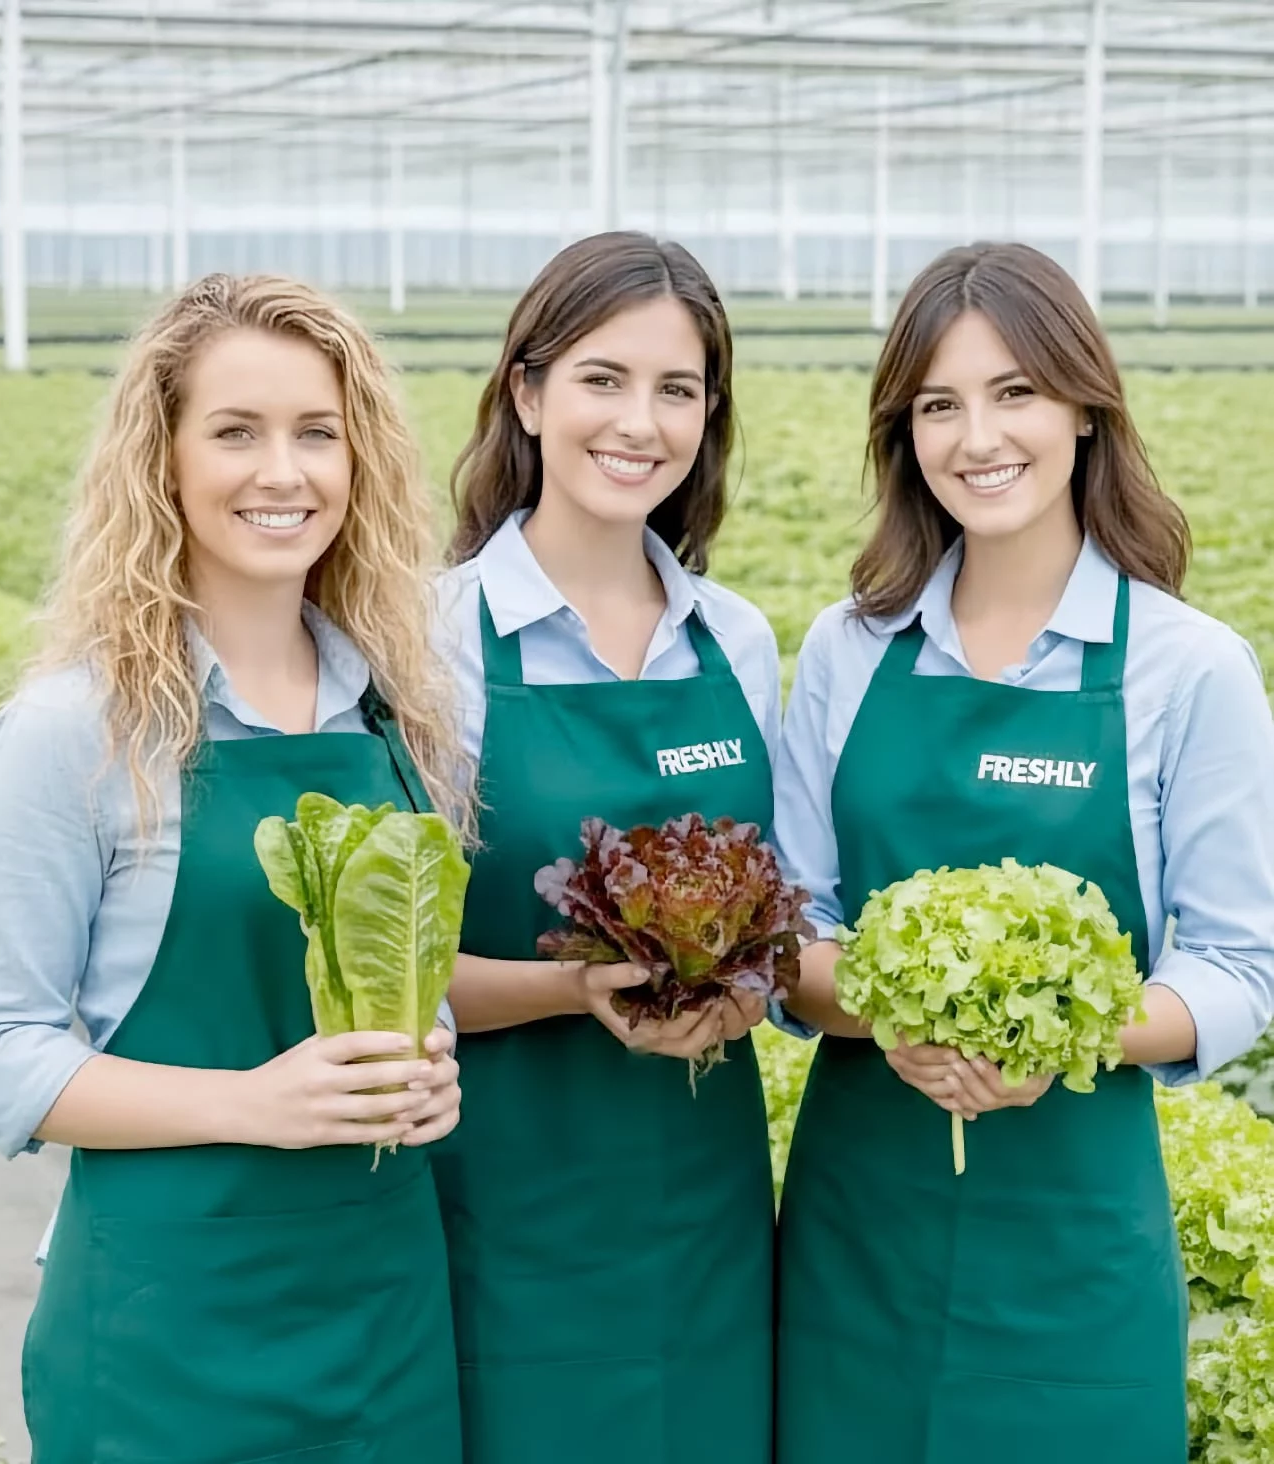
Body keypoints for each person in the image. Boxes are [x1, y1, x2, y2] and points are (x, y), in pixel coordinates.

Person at [772, 241, 1274, 1464]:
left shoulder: (1186, 665)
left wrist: (1055, 1033)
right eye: (939, 404)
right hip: (858, 1236)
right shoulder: (850, 647)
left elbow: (1236, 967)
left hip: (1075, 1244)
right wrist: (898, 1013)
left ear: (1086, 409)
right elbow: (791, 932)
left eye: (1015, 393)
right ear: (905, 434)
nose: (976, 437)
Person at [0, 274, 467, 1464]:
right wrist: (255, 1104)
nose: (283, 472)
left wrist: (431, 1055)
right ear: (162, 459)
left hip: (382, 1309)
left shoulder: (397, 713)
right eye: (235, 432)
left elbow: (402, 979)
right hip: (169, 1325)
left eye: (318, 433)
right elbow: (7, 1054)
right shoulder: (78, 726)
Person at [431, 231, 781, 1464]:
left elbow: (779, 921)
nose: (641, 421)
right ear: (526, 394)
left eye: (678, 389)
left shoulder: (735, 640)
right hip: (505, 1201)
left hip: (708, 1202)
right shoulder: (432, 641)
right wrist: (578, 990)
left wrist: (747, 991)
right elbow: (381, 976)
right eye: (602, 378)